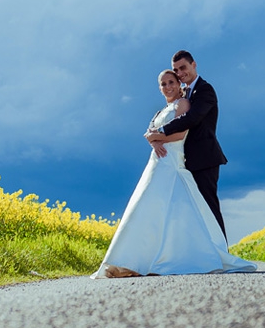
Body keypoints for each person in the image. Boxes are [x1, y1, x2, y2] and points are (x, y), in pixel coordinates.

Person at [90, 69, 256, 278]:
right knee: (147, 207)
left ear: (179, 85)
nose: (167, 87)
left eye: (171, 82)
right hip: (156, 164)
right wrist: (153, 138)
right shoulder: (161, 111)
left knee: (176, 209)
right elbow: (149, 133)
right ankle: (131, 260)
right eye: (163, 84)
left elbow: (181, 133)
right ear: (159, 88)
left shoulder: (183, 105)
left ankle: (175, 256)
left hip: (172, 162)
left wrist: (157, 139)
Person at [144, 50, 229, 240]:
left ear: (194, 65)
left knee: (209, 207)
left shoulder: (204, 89)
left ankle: (223, 253)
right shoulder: (186, 94)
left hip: (205, 158)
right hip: (185, 161)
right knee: (195, 211)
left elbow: (192, 118)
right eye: (176, 70)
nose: (180, 73)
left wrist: (161, 133)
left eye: (183, 68)